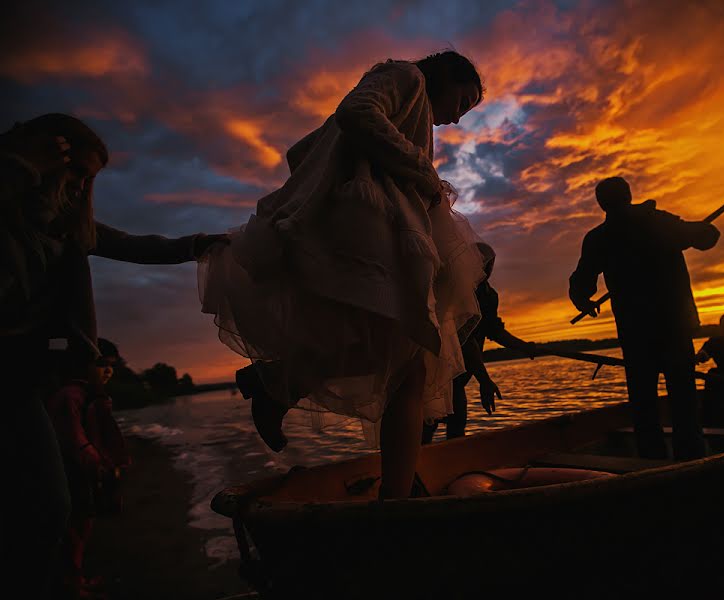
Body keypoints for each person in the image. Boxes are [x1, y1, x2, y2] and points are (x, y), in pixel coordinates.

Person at [200, 50, 486, 499]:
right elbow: (355, 111)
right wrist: (420, 172)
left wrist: (340, 176)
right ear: (444, 77)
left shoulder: (405, 99)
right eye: (461, 101)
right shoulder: (406, 77)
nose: (455, 118)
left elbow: (302, 152)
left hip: (376, 231)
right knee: (408, 360)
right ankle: (394, 498)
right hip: (375, 231)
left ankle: (279, 387)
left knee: (404, 363)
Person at [0, 113, 224, 596]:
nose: (82, 187)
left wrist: (198, 244)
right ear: (42, 158)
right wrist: (17, 171)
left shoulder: (64, 225)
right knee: (41, 504)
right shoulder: (10, 206)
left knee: (51, 504)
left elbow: (135, 245)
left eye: (91, 179)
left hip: (23, 380)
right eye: (77, 172)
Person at [568, 177, 719, 460]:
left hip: (635, 329)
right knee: (683, 395)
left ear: (601, 204)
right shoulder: (659, 221)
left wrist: (583, 301)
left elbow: (582, 282)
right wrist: (698, 229)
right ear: (628, 195)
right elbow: (710, 238)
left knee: (643, 399)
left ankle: (651, 458)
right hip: (673, 324)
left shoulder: (600, 237)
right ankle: (691, 455)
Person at [422, 244, 536, 443]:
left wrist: (525, 346)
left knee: (456, 427)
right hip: (437, 374)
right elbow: (464, 341)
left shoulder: (489, 296)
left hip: (460, 377)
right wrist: (484, 380)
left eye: (489, 265)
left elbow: (494, 331)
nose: (486, 269)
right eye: (482, 264)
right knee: (425, 429)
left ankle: (451, 466)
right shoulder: (454, 292)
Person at [45, 338, 130, 599]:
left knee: (85, 522)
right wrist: (98, 463)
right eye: (102, 364)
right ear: (81, 365)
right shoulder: (71, 395)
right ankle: (71, 583)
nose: (108, 371)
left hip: (83, 469)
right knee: (75, 526)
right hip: (72, 470)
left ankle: (76, 577)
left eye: (112, 366)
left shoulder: (89, 395)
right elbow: (74, 437)